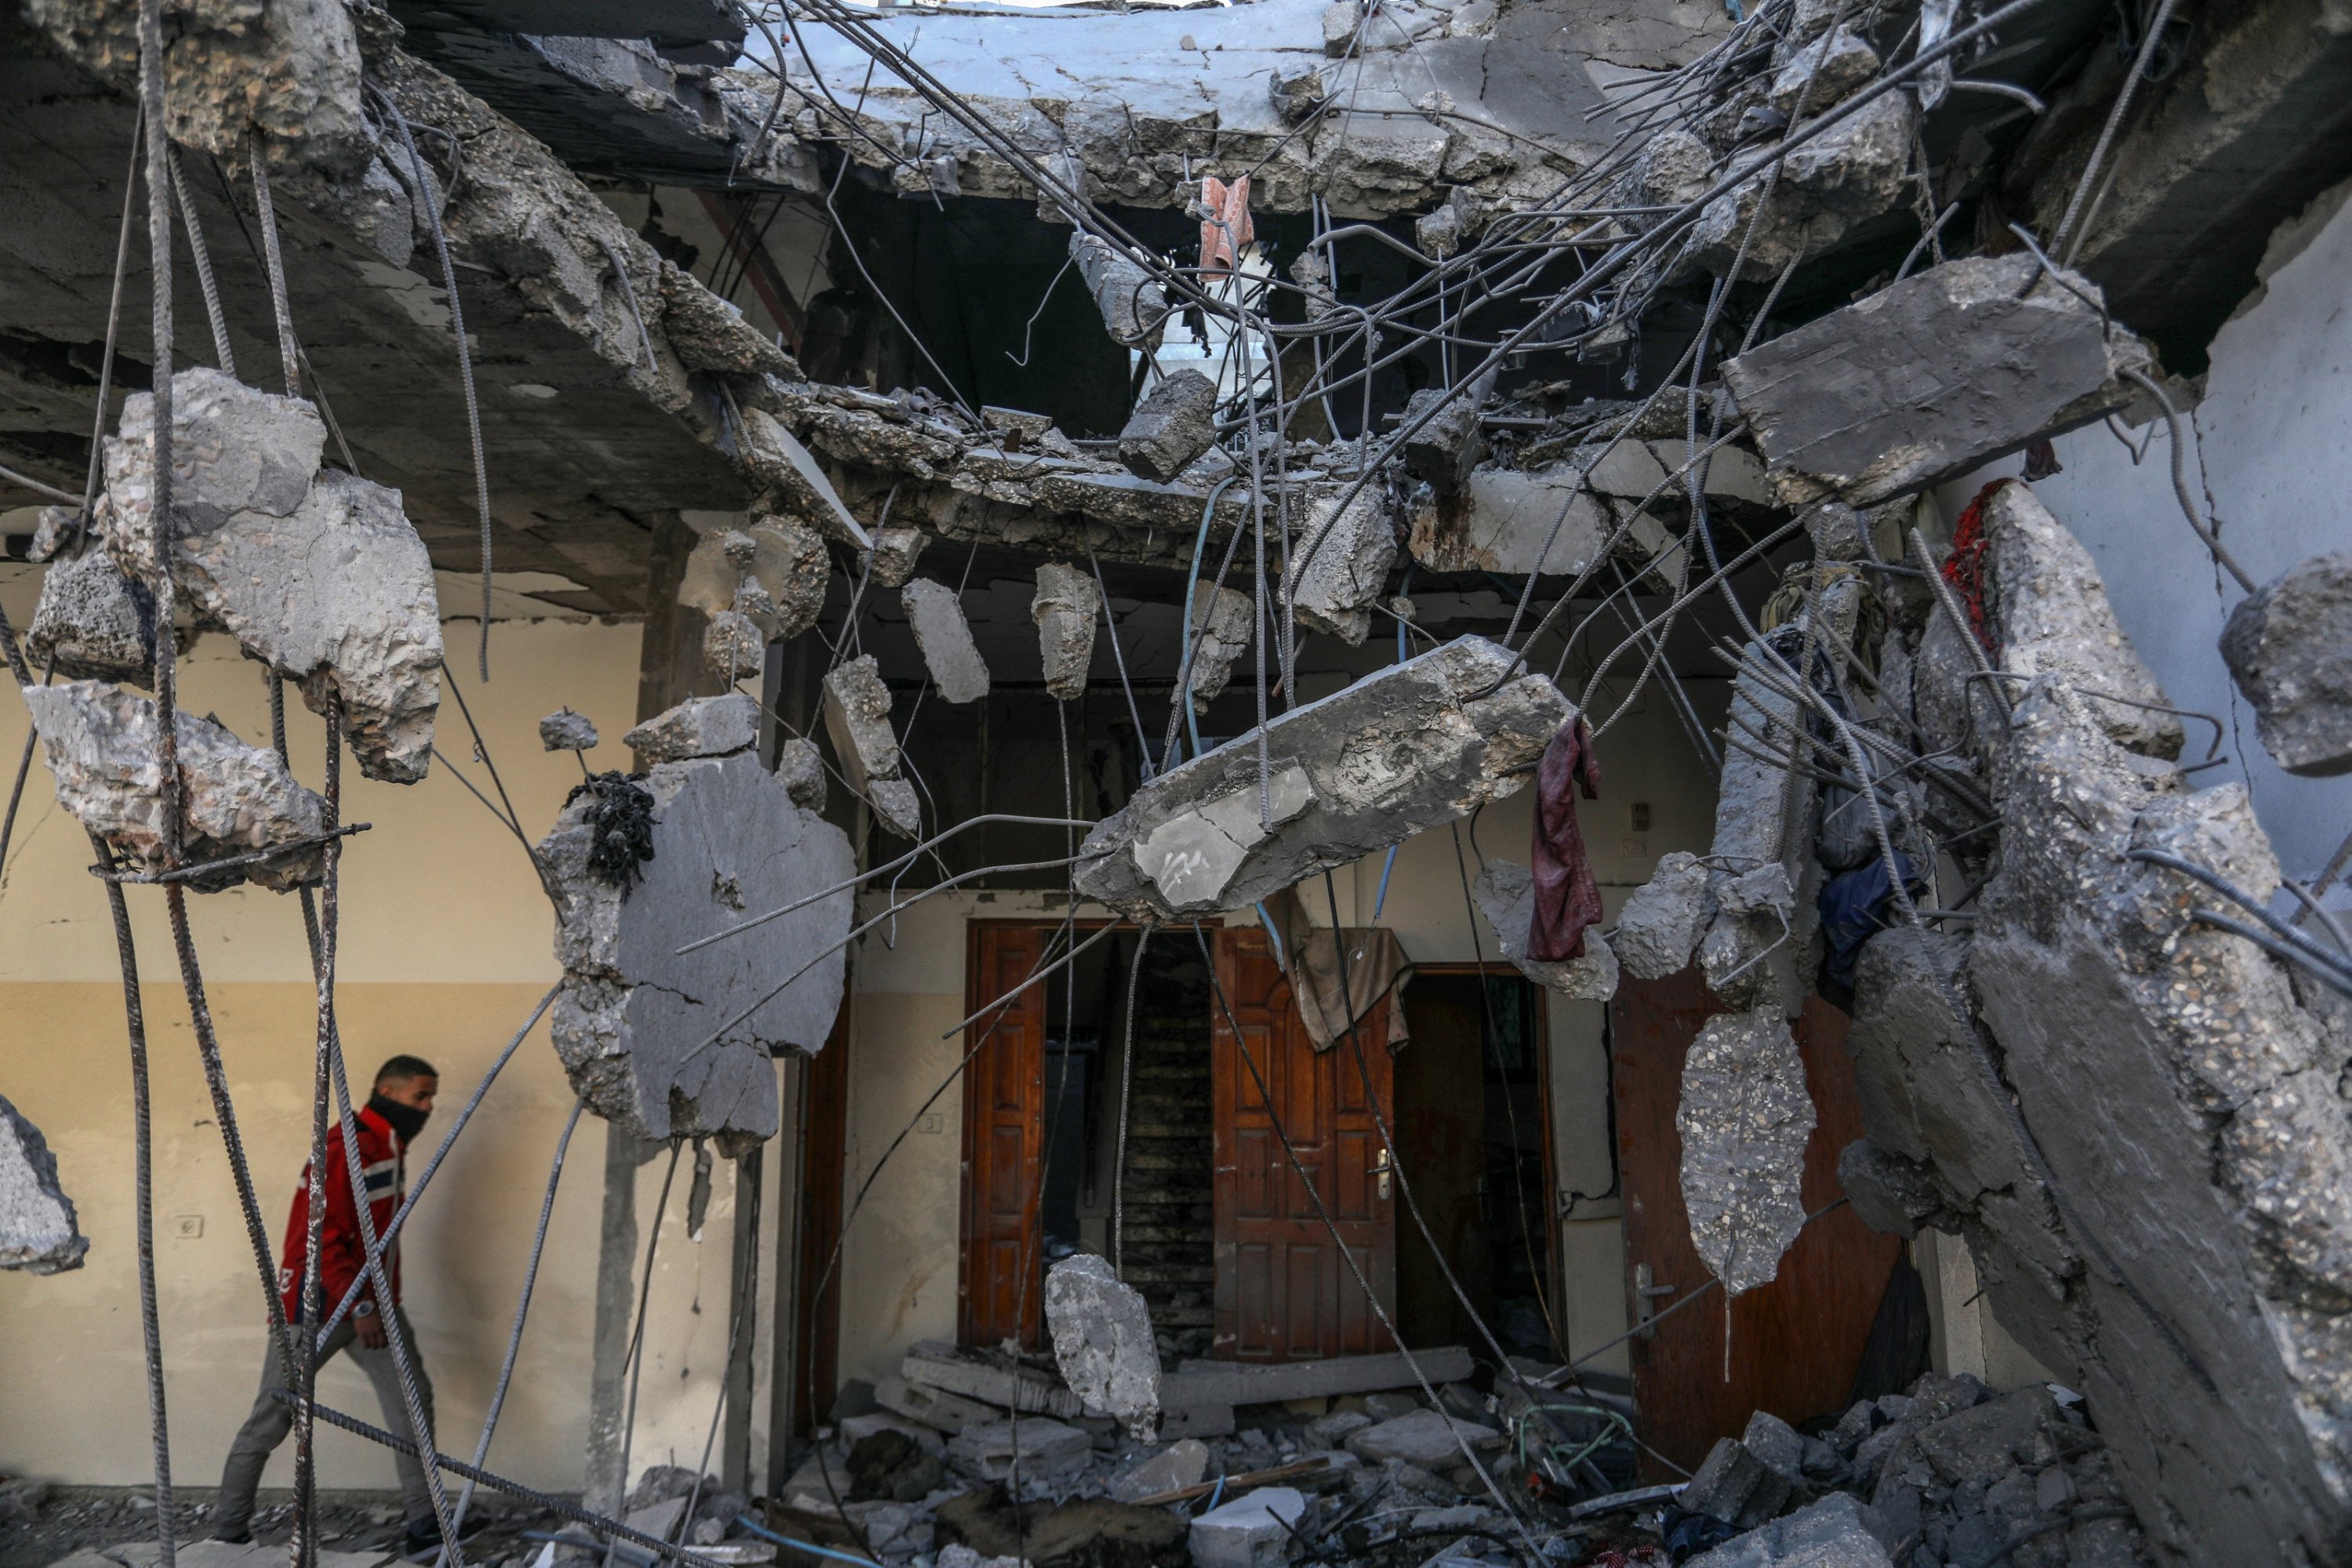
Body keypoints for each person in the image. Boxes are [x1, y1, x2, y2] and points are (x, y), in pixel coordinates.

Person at [213, 1055, 443, 1554]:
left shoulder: (387, 1143)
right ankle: (227, 1532)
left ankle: (427, 1526)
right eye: (420, 1096)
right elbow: (319, 1240)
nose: (428, 1107)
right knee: (272, 1419)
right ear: (388, 1091)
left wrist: (372, 1304)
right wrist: (360, 1308)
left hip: (372, 1305)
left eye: (431, 1098)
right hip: (317, 1308)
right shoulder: (346, 1149)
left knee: (412, 1406)